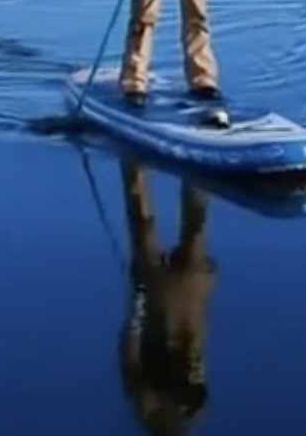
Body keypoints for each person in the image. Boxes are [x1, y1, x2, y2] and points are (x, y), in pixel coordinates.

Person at [116, 158, 216, 436]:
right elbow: (130, 355)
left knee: (150, 225)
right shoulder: (178, 411)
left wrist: (137, 306)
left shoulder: (156, 407)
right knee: (174, 227)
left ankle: (136, 160)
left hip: (172, 300)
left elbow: (130, 355)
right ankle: (146, 162)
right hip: (179, 302)